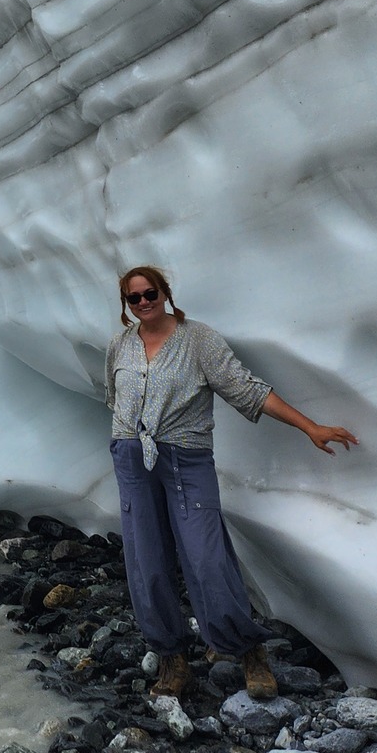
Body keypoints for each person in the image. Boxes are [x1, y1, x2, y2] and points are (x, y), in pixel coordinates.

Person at [107, 265, 357, 701]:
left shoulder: (198, 339)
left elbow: (247, 390)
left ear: (165, 293)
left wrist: (310, 427)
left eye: (150, 293)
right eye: (135, 297)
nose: (144, 302)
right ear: (126, 303)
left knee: (206, 559)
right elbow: (115, 399)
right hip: (132, 460)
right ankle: (172, 659)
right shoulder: (120, 346)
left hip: (185, 459)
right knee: (145, 562)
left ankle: (247, 650)